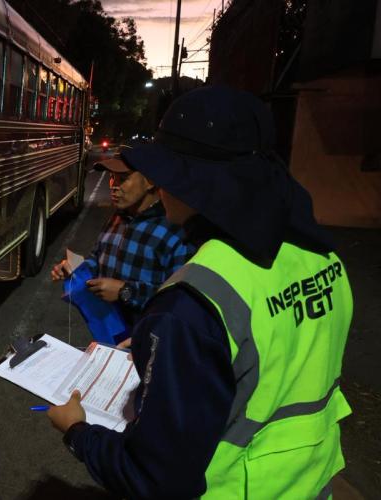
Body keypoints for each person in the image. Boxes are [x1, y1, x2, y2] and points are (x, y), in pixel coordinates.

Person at [47, 86, 353, 499]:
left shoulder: (191, 303)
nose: (162, 185)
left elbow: (152, 477)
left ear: (198, 182)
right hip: (309, 483)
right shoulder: (323, 259)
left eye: (168, 172)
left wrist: (77, 432)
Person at [51, 143, 194, 324]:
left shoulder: (173, 232)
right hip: (109, 330)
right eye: (112, 177)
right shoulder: (118, 218)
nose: (113, 186)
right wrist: (75, 269)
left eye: (123, 178)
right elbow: (97, 258)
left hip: (146, 334)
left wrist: (125, 291)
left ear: (150, 181)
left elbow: (180, 299)